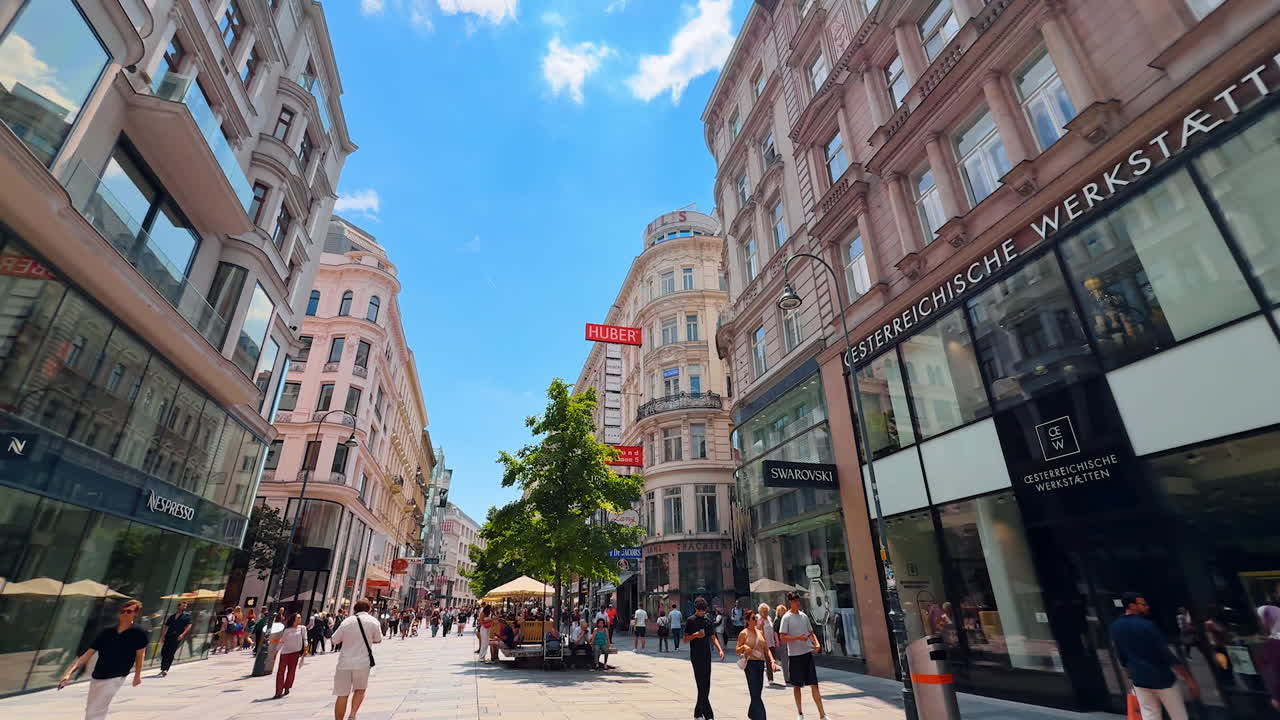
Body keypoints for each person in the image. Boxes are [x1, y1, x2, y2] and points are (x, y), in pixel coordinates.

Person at [1110, 592, 1199, 720]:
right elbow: (1166, 655)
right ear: (1132, 606)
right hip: (1162, 680)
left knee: (1150, 715)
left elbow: (1121, 655)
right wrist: (1189, 679)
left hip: (1139, 681)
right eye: (1143, 604)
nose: (1147, 607)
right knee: (1178, 715)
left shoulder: (1115, 627)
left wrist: (1131, 674)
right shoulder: (1147, 626)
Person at [59, 600, 148, 720]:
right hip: (98, 675)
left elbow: (140, 656)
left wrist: (137, 675)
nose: (125, 614)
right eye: (122, 611)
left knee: (97, 709)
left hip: (117, 675)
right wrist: (69, 673)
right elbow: (87, 654)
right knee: (92, 708)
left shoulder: (139, 633)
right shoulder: (107, 632)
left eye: (129, 611)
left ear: (135, 614)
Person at [330, 598, 382, 720]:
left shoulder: (347, 622)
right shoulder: (373, 621)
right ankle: (352, 715)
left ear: (355, 609)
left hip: (345, 662)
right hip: (363, 662)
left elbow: (334, 639)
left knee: (342, 694)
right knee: (360, 689)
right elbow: (378, 639)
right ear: (369, 609)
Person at [779, 592, 828, 720]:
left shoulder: (804, 616)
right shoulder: (786, 618)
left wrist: (816, 643)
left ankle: (822, 714)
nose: (797, 603)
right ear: (790, 602)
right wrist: (798, 638)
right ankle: (800, 713)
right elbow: (782, 637)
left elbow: (811, 633)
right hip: (794, 656)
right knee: (797, 686)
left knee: (814, 684)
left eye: (798, 600)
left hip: (807, 654)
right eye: (795, 601)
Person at [685, 598, 724, 720]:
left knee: (706, 683)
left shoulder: (708, 619)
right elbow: (685, 639)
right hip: (696, 655)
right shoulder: (690, 620)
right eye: (700, 610)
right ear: (696, 609)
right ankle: (708, 714)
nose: (702, 612)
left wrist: (720, 649)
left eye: (704, 610)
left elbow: (713, 637)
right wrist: (695, 635)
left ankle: (698, 712)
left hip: (707, 654)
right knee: (700, 683)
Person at [737, 608, 778, 720]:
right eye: (753, 618)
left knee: (757, 692)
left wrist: (772, 660)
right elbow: (737, 650)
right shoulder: (743, 633)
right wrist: (744, 647)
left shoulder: (760, 632)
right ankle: (761, 717)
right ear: (747, 620)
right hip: (750, 665)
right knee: (755, 692)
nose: (756, 619)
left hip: (760, 664)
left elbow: (766, 649)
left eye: (756, 617)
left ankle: (751, 713)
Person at [274, 612, 307, 699]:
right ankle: (278, 691)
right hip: (285, 653)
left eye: (300, 617)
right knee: (281, 672)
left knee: (291, 671)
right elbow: (282, 641)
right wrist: (276, 651)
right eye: (298, 617)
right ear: (294, 619)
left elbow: (305, 639)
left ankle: (287, 687)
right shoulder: (287, 630)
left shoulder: (302, 628)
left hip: (295, 653)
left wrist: (305, 649)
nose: (300, 619)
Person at [159, 601, 193, 677]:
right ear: (178, 606)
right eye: (183, 606)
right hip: (168, 636)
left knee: (171, 652)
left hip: (177, 636)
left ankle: (165, 669)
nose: (185, 607)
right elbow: (166, 626)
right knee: (164, 652)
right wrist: (163, 635)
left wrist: (182, 634)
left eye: (185, 606)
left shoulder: (187, 616)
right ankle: (162, 668)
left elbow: (189, 626)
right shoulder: (172, 616)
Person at [1257, 605, 1280, 712]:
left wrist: (1276, 697)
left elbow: (1274, 672)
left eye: (1262, 619)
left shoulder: (1272, 644)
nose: (1261, 623)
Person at [758, 603, 780, 686]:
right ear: (760, 612)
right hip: (765, 643)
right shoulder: (759, 619)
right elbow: (758, 631)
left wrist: (775, 640)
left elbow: (772, 629)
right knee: (768, 660)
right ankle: (770, 678)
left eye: (766, 611)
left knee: (772, 658)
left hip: (771, 642)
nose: (765, 612)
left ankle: (769, 672)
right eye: (764, 611)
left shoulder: (769, 618)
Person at [773, 604, 790, 685]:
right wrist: (777, 642)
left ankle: (790, 676)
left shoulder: (785, 619)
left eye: (784, 610)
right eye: (781, 610)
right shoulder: (777, 620)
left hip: (788, 640)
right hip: (782, 641)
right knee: (785, 660)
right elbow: (775, 632)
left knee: (789, 660)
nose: (783, 612)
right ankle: (787, 678)